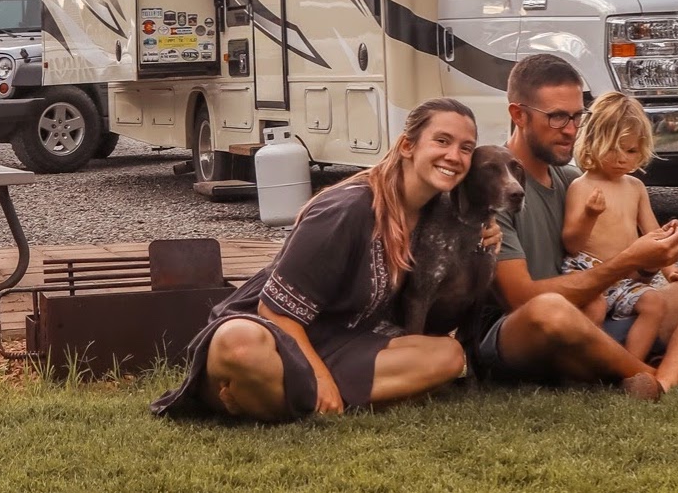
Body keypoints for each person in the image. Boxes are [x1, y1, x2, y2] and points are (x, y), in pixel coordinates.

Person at [151, 97, 487, 421]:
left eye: (466, 148)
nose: (454, 156)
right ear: (407, 146)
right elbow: (275, 310)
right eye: (442, 141)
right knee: (239, 345)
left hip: (343, 342)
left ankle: (265, 400)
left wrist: (481, 240)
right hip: (273, 335)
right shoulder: (348, 208)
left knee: (447, 355)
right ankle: (296, 392)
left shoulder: (436, 216)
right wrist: (321, 377)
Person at [475, 54, 678, 396]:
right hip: (529, 336)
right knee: (550, 309)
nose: (571, 129)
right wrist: (626, 261)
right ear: (518, 115)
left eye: (578, 115)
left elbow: (617, 277)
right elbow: (521, 299)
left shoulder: (575, 179)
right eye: (557, 117)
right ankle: (653, 372)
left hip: (600, 319)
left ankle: (661, 383)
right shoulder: (495, 186)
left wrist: (650, 264)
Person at [560, 91, 678, 361]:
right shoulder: (582, 186)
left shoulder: (635, 188)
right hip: (588, 273)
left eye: (632, 150)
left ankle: (633, 366)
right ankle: (588, 363)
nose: (623, 158)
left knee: (655, 303)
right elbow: (571, 244)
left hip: (624, 279)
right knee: (595, 308)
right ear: (592, 142)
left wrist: (671, 271)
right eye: (614, 148)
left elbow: (653, 234)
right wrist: (589, 214)